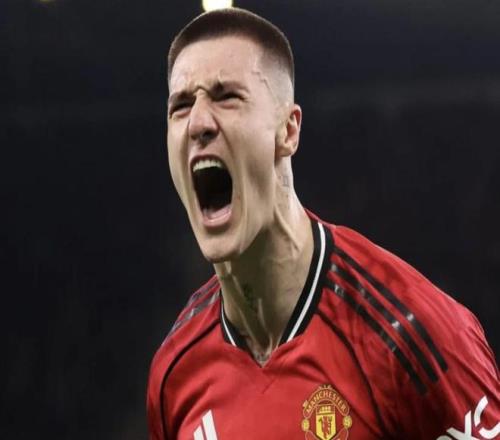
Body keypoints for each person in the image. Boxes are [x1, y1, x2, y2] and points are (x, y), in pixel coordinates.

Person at [147, 7, 499, 440]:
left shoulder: (415, 337)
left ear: (288, 131)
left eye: (227, 97)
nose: (198, 123)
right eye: (180, 106)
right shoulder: (175, 371)